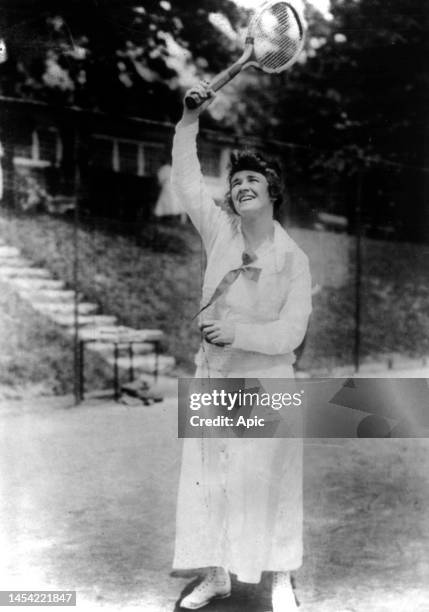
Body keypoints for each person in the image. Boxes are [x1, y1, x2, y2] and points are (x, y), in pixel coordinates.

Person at [171, 81, 312, 611]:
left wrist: (240, 333)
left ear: (272, 191)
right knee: (209, 479)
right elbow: (187, 180)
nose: (241, 186)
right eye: (235, 181)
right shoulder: (219, 232)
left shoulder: (293, 258)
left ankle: (279, 578)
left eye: (253, 179)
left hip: (268, 382)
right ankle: (217, 574)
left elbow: (291, 333)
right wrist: (190, 120)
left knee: (270, 483)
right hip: (215, 376)